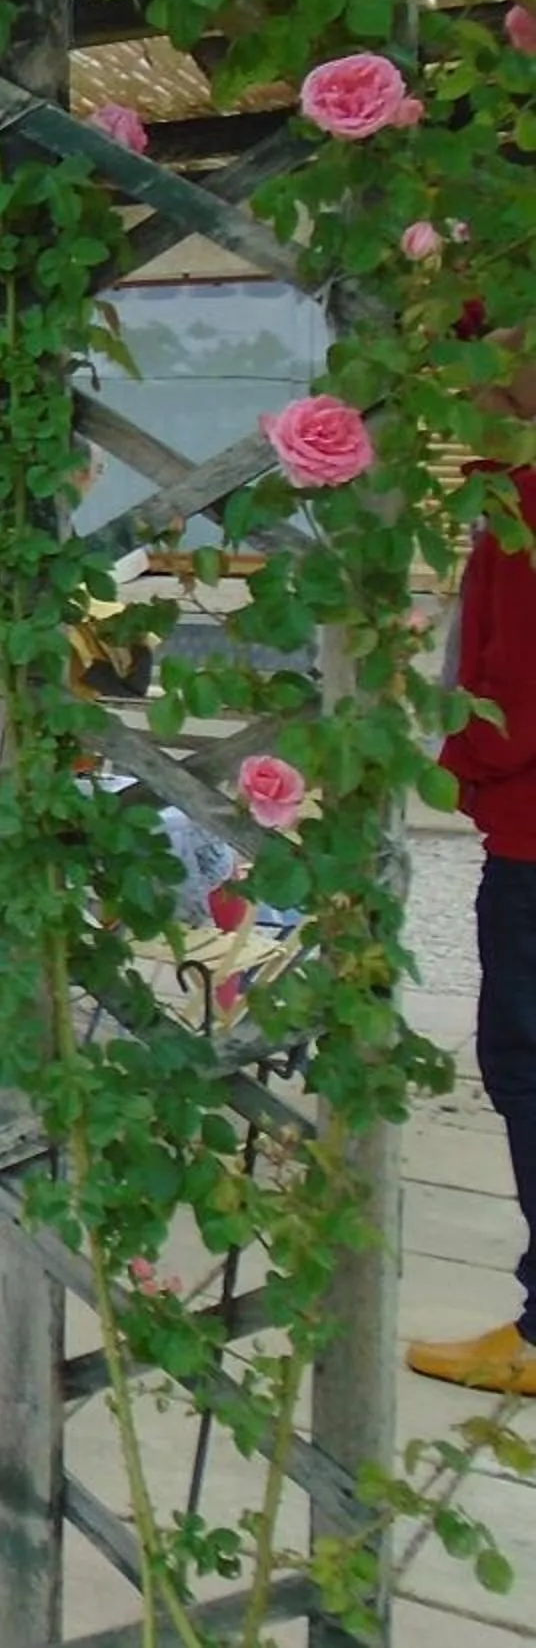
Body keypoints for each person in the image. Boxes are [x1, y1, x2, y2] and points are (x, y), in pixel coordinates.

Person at [406, 316, 536, 1393]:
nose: (465, 401)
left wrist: (461, 768)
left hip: (533, 836)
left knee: (523, 1063)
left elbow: (509, 695)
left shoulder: (523, 510)